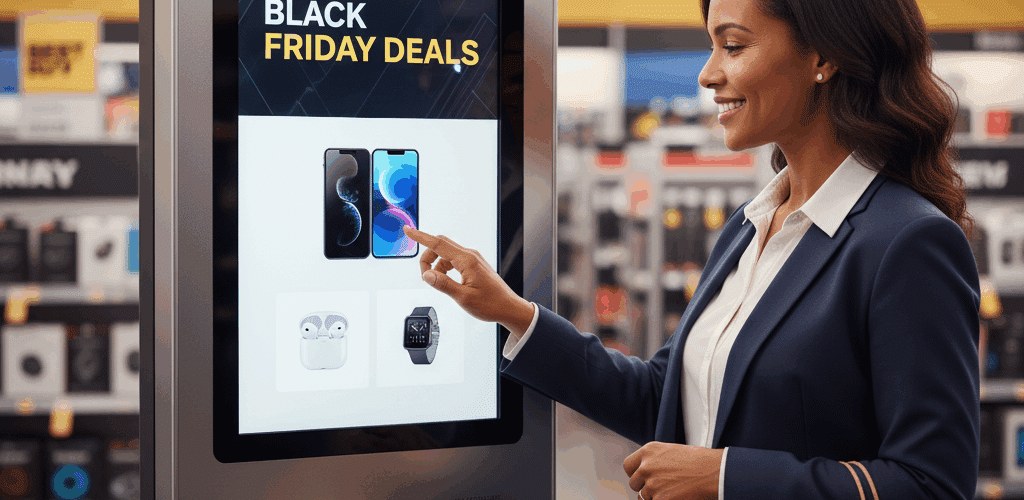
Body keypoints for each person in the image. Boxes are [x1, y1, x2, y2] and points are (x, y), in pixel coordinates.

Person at [403, 0, 981, 496]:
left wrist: (725, 478)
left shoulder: (908, 242)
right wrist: (512, 312)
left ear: (822, 58)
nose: (707, 75)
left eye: (732, 47)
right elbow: (663, 393)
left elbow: (930, 482)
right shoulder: (751, 226)